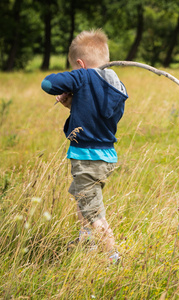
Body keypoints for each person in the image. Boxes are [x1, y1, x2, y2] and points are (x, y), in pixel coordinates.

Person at [41, 29, 128, 263]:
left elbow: (48, 83)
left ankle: (113, 258)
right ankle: (86, 241)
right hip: (106, 157)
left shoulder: (83, 76)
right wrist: (72, 104)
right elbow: (97, 116)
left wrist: (71, 83)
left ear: (80, 64)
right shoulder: (116, 85)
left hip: (87, 158)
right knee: (83, 198)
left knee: (94, 212)